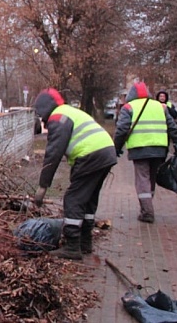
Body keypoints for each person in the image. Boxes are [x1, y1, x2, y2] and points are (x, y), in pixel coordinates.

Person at [32, 88, 117, 260]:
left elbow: (53, 153)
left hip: (91, 155)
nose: (41, 120)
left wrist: (43, 186)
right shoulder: (70, 112)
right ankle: (85, 243)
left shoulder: (58, 117)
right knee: (89, 199)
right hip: (106, 152)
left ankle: (72, 247)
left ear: (43, 108)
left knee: (73, 199)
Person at [114, 82, 177, 224]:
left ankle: (147, 212)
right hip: (160, 148)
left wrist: (117, 148)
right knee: (151, 178)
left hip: (140, 148)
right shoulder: (159, 107)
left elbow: (121, 129)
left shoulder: (128, 107)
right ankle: (147, 208)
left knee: (142, 179)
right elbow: (173, 127)